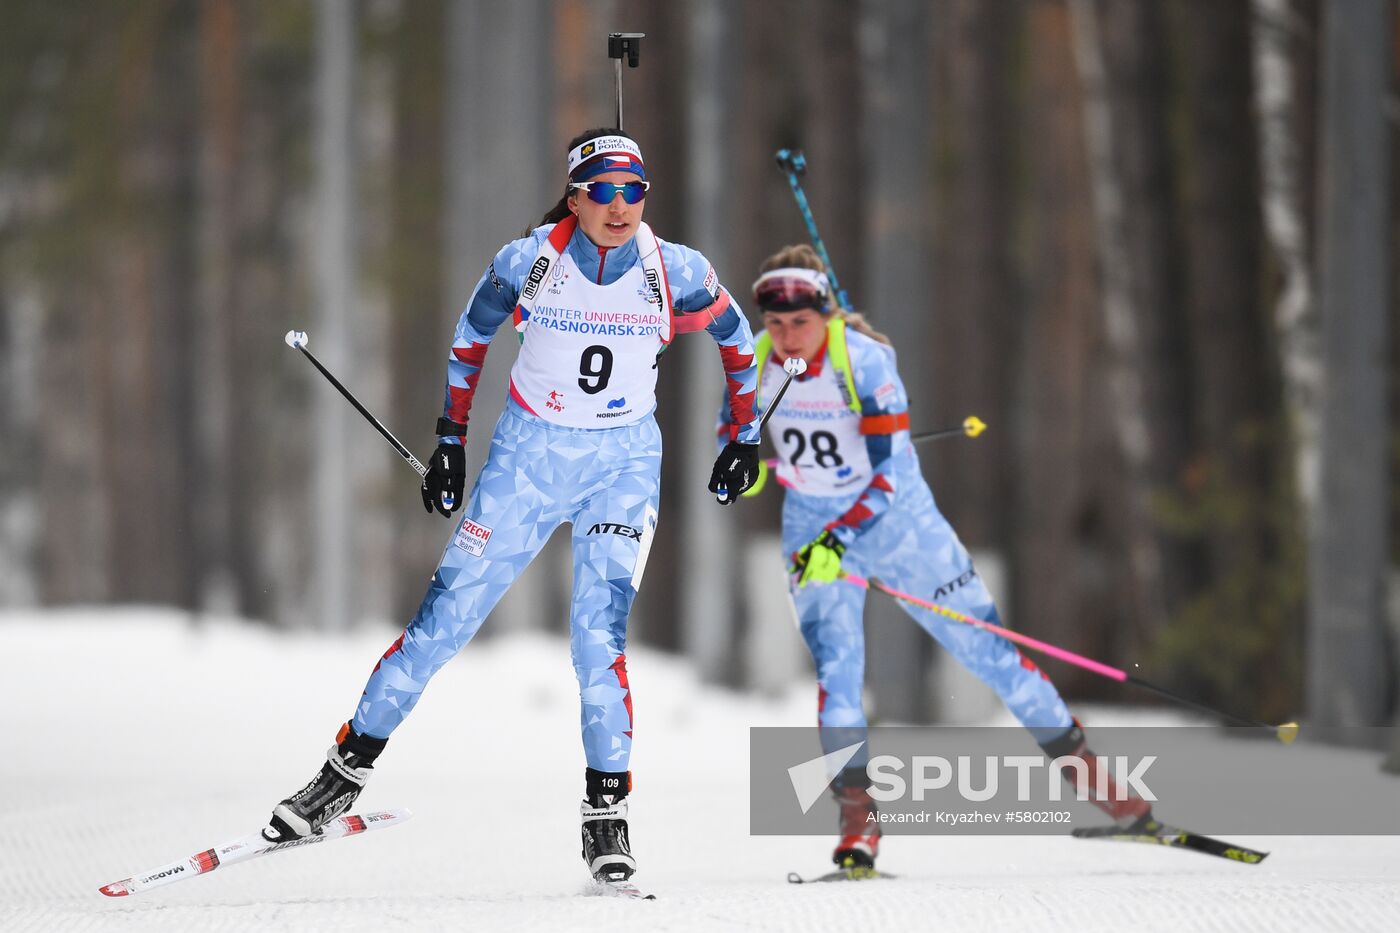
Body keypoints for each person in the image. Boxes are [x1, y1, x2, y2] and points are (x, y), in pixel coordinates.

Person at [264, 129, 763, 886]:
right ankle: (341, 774)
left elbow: (735, 335)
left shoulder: (675, 269)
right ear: (575, 197)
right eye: (603, 191)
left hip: (621, 466)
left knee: (598, 637)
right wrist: (451, 442)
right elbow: (472, 337)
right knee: (442, 622)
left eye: (634, 190)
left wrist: (742, 435)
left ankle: (607, 816)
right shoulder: (528, 260)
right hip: (527, 462)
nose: (620, 205)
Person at [719, 244, 1153, 872]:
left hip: (900, 528)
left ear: (826, 317)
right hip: (811, 525)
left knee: (990, 655)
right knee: (838, 673)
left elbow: (890, 475)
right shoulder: (754, 369)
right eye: (775, 324)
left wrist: (839, 542)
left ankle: (1104, 791)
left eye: (800, 323)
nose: (787, 337)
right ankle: (857, 821)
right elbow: (740, 458)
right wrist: (740, 473)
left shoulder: (865, 362)